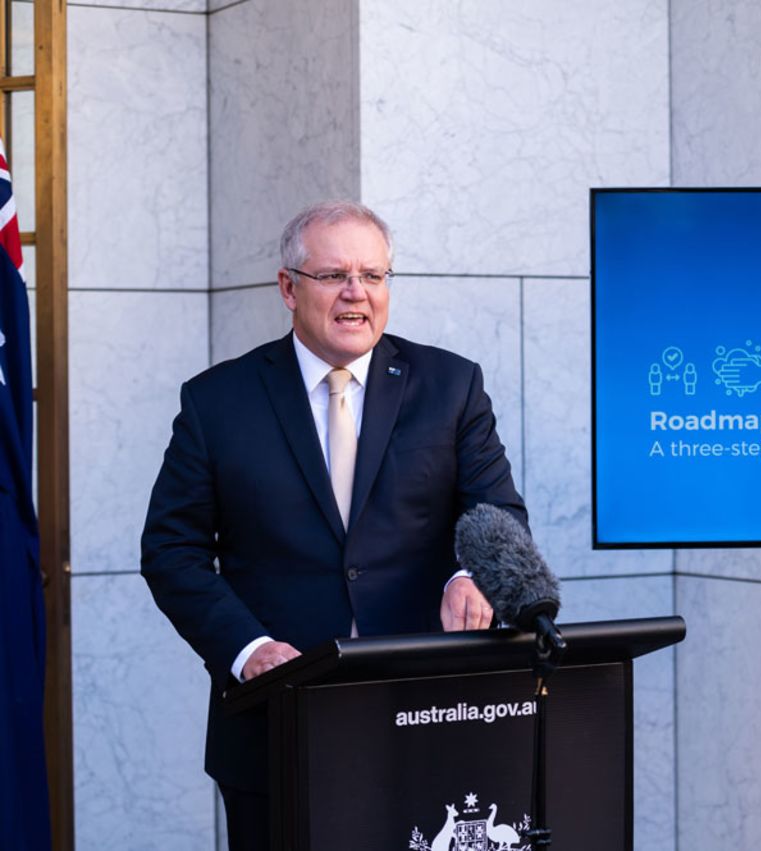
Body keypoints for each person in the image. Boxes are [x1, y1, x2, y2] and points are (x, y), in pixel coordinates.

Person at [140, 200, 526, 850]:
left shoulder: (452, 386)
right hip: (277, 725)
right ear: (289, 287)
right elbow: (170, 550)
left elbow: (499, 513)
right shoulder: (217, 402)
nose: (357, 294)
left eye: (374, 276)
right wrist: (247, 649)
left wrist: (475, 572)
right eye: (335, 276)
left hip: (428, 716)